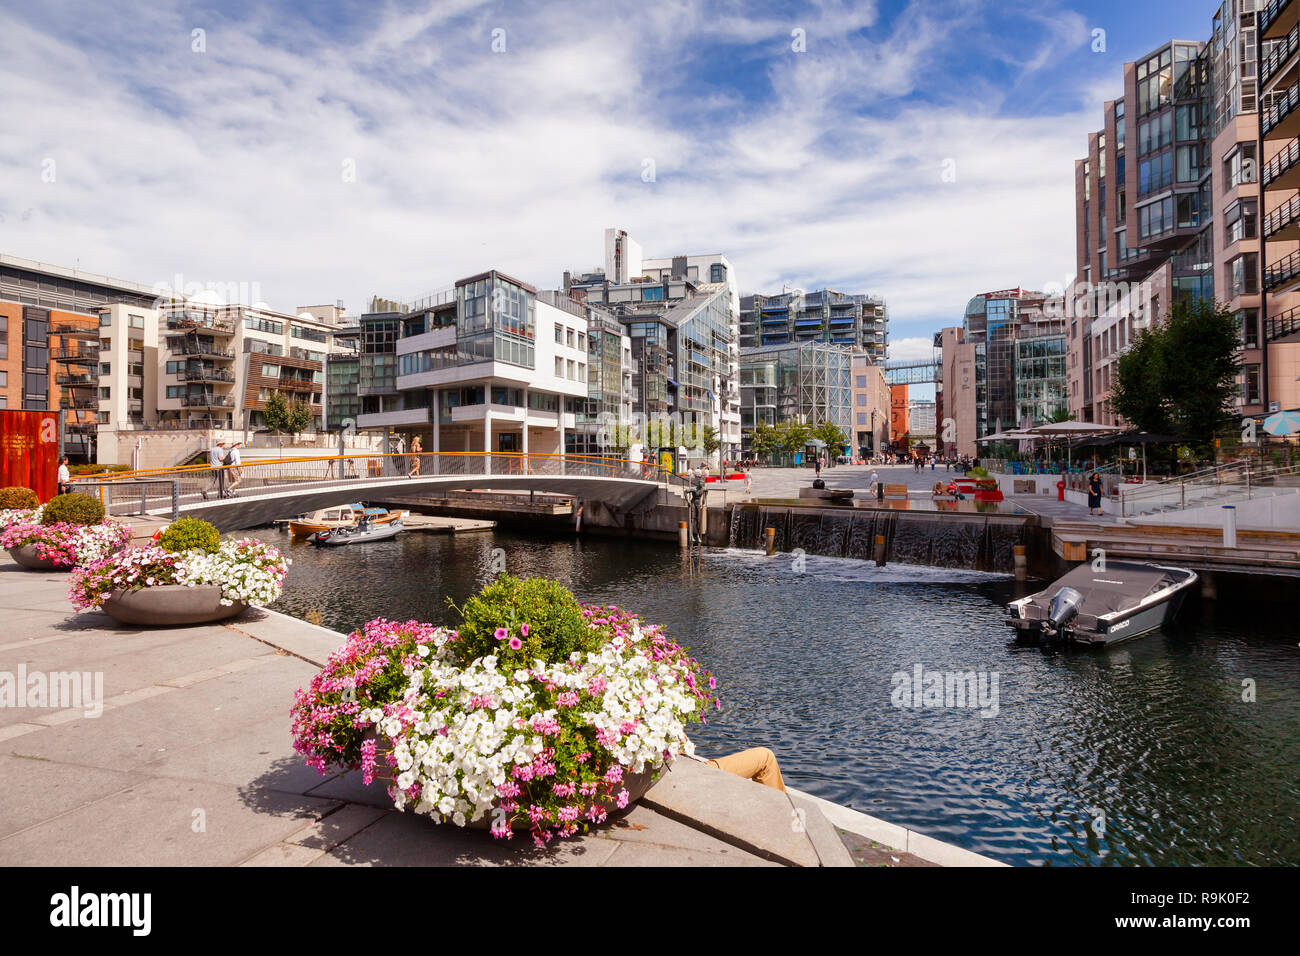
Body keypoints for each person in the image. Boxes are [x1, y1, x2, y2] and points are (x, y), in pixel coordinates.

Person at [702, 747, 786, 792]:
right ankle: (782, 812)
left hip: (694, 769)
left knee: (765, 757)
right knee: (766, 757)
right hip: (697, 772)